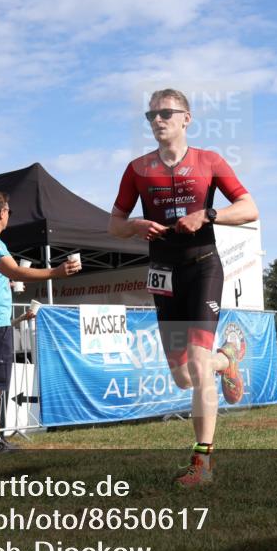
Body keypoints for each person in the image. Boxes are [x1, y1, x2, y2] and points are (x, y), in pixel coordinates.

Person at [109, 88, 259, 487]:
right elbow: (115, 225)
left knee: (196, 360)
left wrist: (208, 214)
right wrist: (137, 225)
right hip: (163, 273)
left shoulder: (209, 161)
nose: (157, 121)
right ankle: (227, 359)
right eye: (151, 115)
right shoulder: (138, 169)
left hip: (202, 268)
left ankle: (202, 463)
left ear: (186, 118)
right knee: (183, 376)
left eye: (166, 113)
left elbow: (249, 208)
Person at [0, 189, 81, 456]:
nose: (9, 216)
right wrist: (56, 272)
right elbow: (14, 269)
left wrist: (1, 282)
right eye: (9, 212)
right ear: (2, 212)